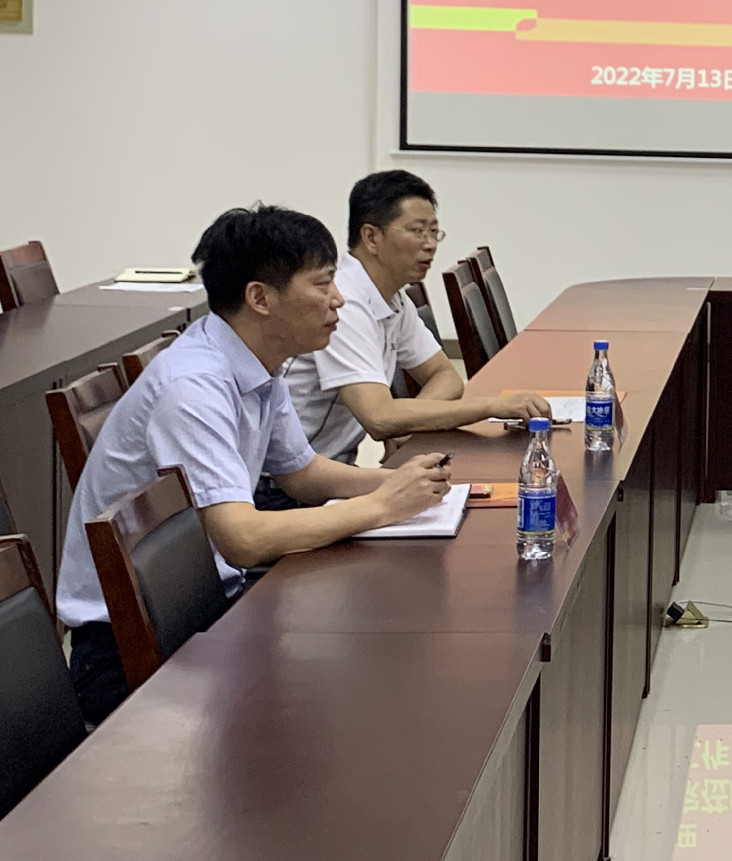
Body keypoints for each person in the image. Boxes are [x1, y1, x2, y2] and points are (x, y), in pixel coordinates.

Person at [56, 205, 453, 722]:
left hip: (207, 606)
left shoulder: (256, 361)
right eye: (323, 284)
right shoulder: (194, 387)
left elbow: (301, 473)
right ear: (260, 298)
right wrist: (381, 506)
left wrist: (399, 482)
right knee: (364, 688)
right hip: (131, 653)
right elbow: (241, 538)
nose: (338, 299)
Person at [284, 170, 548, 464]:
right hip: (290, 480)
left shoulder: (393, 298)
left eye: (434, 232)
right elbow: (379, 417)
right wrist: (493, 407)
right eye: (418, 231)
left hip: (329, 469)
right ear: (371, 237)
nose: (430, 244)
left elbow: (446, 377)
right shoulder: (344, 302)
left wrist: (407, 424)